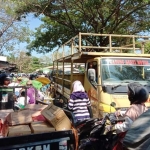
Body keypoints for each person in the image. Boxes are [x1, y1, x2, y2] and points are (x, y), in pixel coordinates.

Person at [106, 82, 149, 150]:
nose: (127, 94)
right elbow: (136, 114)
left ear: (133, 95)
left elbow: (127, 126)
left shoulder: (133, 108)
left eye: (129, 92)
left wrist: (113, 127)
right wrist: (122, 113)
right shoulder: (143, 107)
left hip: (131, 140)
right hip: (141, 137)